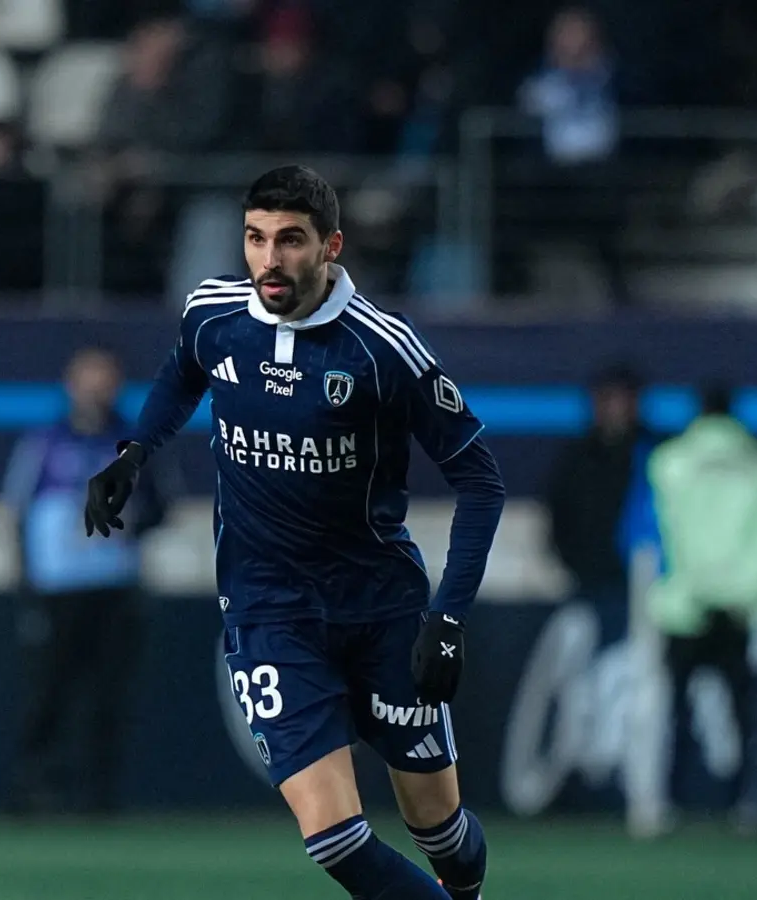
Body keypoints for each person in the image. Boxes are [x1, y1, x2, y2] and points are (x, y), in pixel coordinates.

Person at [85, 165, 505, 900]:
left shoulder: (382, 351)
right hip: (268, 609)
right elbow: (184, 371)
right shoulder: (214, 314)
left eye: (290, 240)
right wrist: (136, 451)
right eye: (255, 238)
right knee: (335, 839)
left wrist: (447, 618)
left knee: (438, 828)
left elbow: (481, 479)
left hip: (380, 608)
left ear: (330, 246)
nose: (269, 259)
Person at [3, 347, 171, 815]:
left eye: (104, 380)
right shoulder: (44, 442)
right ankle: (34, 790)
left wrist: (129, 524)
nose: (96, 391)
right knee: (47, 692)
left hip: (113, 587)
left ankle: (99, 797)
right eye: (87, 380)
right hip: (55, 589)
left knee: (107, 695)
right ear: (70, 384)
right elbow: (17, 512)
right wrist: (26, 582)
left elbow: (161, 506)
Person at [641, 382, 757, 836]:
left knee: (673, 713)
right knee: (743, 714)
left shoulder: (667, 462)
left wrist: (686, 587)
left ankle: (665, 802)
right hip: (737, 608)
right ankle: (747, 803)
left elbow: (655, 536)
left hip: (681, 606)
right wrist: (744, 593)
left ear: (699, 411)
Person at [543, 361, 657, 602]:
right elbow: (559, 515)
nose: (615, 408)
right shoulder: (576, 460)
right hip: (591, 584)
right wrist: (577, 566)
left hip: (649, 585)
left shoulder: (658, 457)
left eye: (622, 399)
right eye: (607, 399)